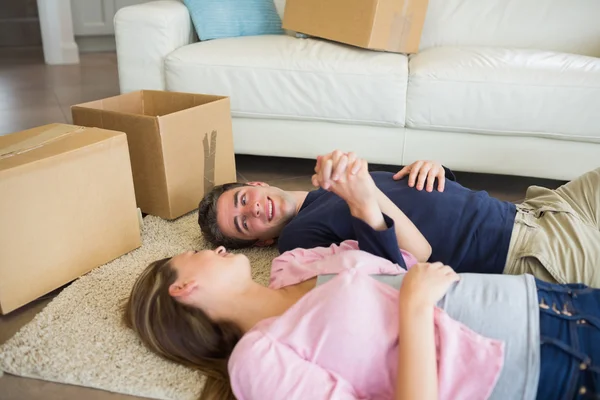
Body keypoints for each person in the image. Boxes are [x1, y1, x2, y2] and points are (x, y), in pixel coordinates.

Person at [125, 160, 600, 400]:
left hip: (543, 298)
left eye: (244, 199)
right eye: (196, 253)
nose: (219, 250)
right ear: (181, 288)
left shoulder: (295, 269)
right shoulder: (256, 358)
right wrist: (413, 308)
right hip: (545, 359)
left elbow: (411, 255)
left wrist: (364, 196)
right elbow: (412, 284)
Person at [198, 151, 600, 287]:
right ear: (261, 243)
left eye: (243, 199)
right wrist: (362, 195)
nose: (252, 209)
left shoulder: (331, 187)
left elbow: (422, 200)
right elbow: (401, 262)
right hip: (525, 249)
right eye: (243, 223)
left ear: (257, 183)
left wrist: (435, 169)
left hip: (542, 206)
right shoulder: (297, 239)